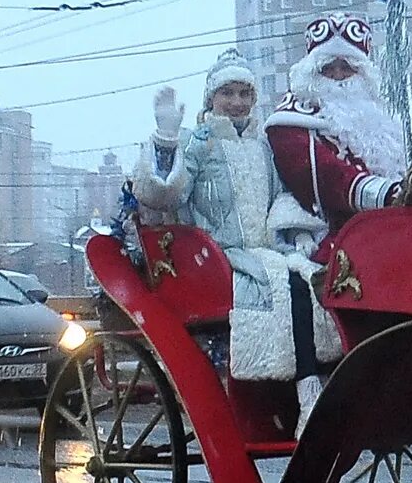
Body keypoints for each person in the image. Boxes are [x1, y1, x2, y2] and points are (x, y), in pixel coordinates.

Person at [128, 50, 314, 382]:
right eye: (227, 93)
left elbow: (282, 197)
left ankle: (303, 383)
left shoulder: (264, 145)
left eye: (245, 93)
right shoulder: (197, 142)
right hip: (214, 259)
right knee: (274, 290)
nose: (237, 102)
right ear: (211, 97)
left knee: (309, 285)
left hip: (269, 252)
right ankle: (278, 382)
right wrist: (167, 140)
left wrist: (296, 233)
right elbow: (163, 195)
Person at [265, 14, 411, 247]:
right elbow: (327, 176)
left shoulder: (382, 117)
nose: (338, 75)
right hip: (336, 236)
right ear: (312, 72)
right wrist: (388, 193)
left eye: (347, 67)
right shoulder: (290, 122)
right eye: (328, 67)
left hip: (400, 225)